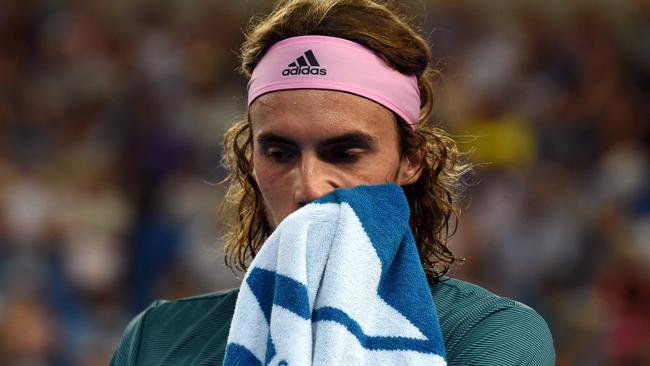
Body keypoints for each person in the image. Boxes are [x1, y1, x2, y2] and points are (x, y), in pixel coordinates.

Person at [110, 0, 555, 365]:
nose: (309, 188)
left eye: (344, 153)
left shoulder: (493, 335)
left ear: (412, 161)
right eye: (280, 153)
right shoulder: (155, 340)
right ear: (251, 163)